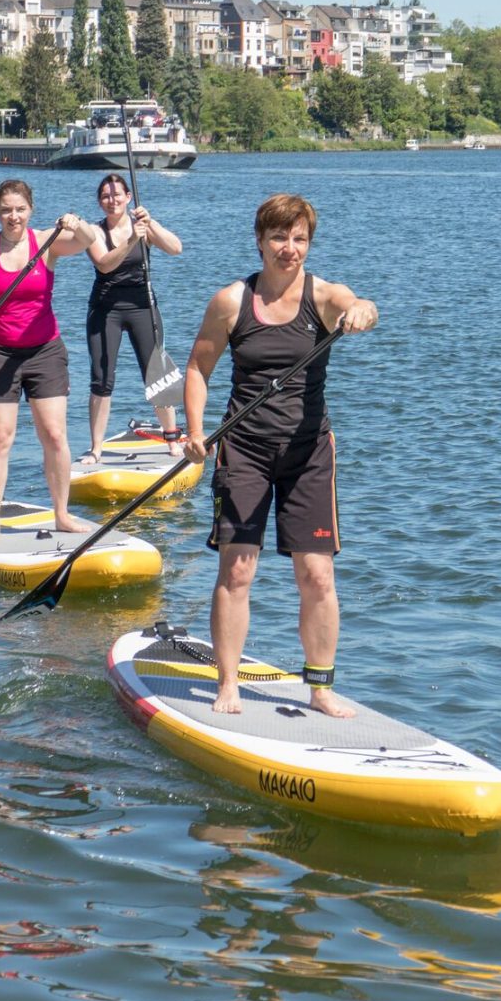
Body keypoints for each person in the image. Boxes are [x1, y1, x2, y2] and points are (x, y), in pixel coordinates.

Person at [183, 193, 378, 717]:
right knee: (238, 569)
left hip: (309, 451)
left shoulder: (325, 295)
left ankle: (320, 688)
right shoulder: (230, 302)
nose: (289, 249)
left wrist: (362, 311)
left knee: (317, 575)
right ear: (259, 240)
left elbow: (361, 306)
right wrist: (197, 431)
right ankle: (228, 684)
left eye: (299, 239)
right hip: (242, 448)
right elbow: (198, 369)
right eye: (279, 238)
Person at [0, 178, 95, 544]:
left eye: (20, 209)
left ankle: (62, 514)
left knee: (55, 435)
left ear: (30, 209)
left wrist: (77, 224)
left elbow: (89, 242)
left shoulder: (47, 242)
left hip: (44, 350)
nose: (13, 216)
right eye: (5, 210)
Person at [81, 173, 183, 464]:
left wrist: (150, 226)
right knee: (102, 378)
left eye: (116, 195)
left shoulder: (143, 224)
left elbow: (176, 248)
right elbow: (104, 265)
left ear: (128, 197)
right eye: (105, 196)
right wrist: (129, 242)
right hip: (106, 309)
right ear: (100, 202)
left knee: (157, 374)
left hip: (142, 308)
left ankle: (171, 437)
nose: (111, 200)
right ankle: (95, 449)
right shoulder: (93, 231)